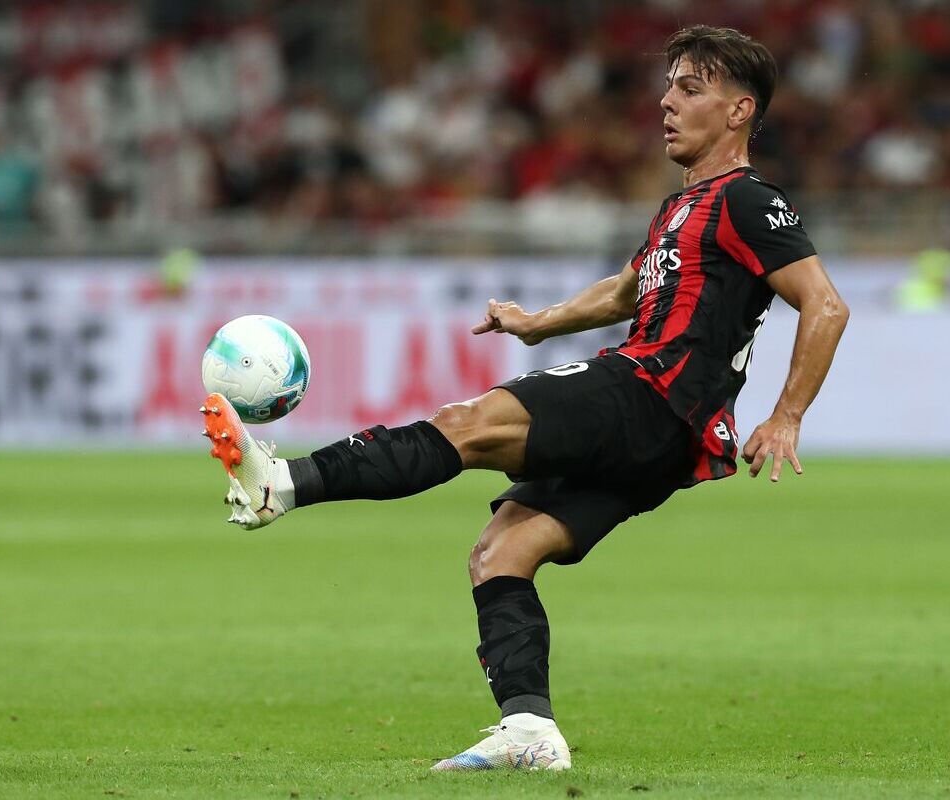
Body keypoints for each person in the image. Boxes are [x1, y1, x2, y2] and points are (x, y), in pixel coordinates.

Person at [201, 24, 849, 772]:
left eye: (690, 89)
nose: (667, 102)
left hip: (650, 392)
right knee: (501, 551)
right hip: (665, 440)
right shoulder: (683, 205)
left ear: (739, 112)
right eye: (669, 85)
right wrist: (540, 324)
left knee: (467, 426)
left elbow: (825, 305)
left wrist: (788, 414)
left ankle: (280, 483)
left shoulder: (748, 201)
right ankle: (530, 733)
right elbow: (626, 289)